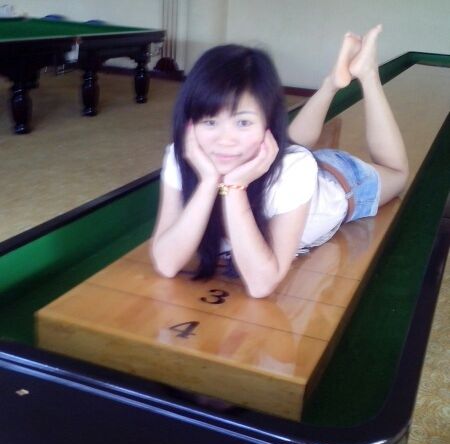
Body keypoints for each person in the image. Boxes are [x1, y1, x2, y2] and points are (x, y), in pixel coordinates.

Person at [150, 25, 409, 298]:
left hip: (344, 181)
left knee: (398, 173)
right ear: (189, 122)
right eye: (210, 121)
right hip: (278, 163)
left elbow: (261, 284)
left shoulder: (293, 169)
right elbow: (167, 263)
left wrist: (234, 188)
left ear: (267, 124)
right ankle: (332, 82)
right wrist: (208, 182)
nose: (225, 140)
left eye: (243, 122)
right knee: (287, 147)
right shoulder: (183, 154)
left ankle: (368, 74)